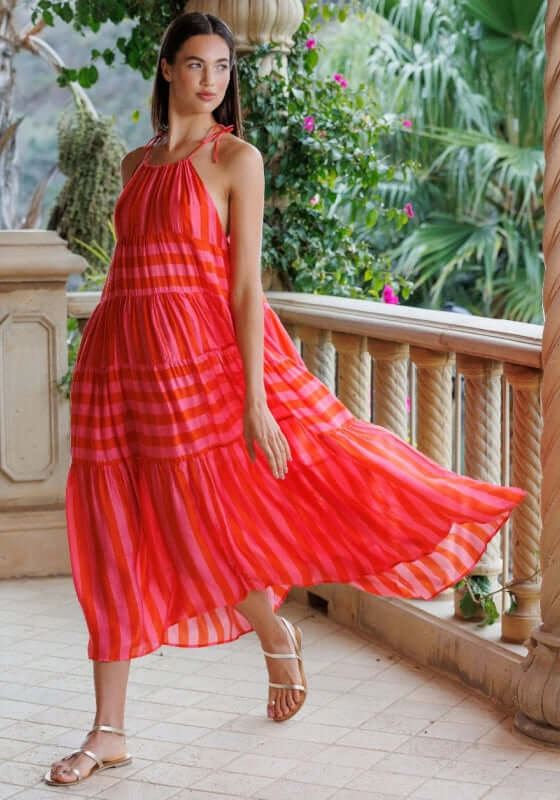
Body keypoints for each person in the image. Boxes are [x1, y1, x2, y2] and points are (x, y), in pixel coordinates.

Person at [44, 10, 526, 786]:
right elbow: (131, 271)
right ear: (166, 69)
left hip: (195, 362)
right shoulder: (135, 165)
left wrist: (256, 400)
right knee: (112, 527)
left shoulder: (236, 158)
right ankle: (108, 731)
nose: (211, 81)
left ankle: (273, 632)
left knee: (200, 515)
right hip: (119, 363)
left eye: (222, 69)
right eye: (196, 65)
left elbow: (241, 288)